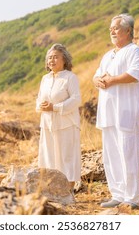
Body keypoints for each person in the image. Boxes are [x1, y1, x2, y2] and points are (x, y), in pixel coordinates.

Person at [93, 14, 139, 209]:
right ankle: (117, 194)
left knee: (129, 154)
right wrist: (98, 80)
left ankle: (132, 198)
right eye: (111, 28)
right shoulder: (108, 55)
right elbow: (96, 76)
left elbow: (135, 74)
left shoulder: (135, 51)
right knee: (112, 156)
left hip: (127, 113)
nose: (112, 31)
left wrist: (112, 80)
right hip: (108, 114)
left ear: (128, 31)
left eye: (116, 28)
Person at [36, 43, 81, 191]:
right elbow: (38, 99)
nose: (52, 60)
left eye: (56, 57)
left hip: (66, 124)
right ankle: (52, 190)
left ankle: (68, 191)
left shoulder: (70, 77)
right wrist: (41, 106)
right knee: (49, 156)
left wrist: (54, 107)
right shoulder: (45, 79)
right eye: (49, 58)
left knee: (66, 157)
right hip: (47, 124)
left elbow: (76, 100)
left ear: (64, 60)